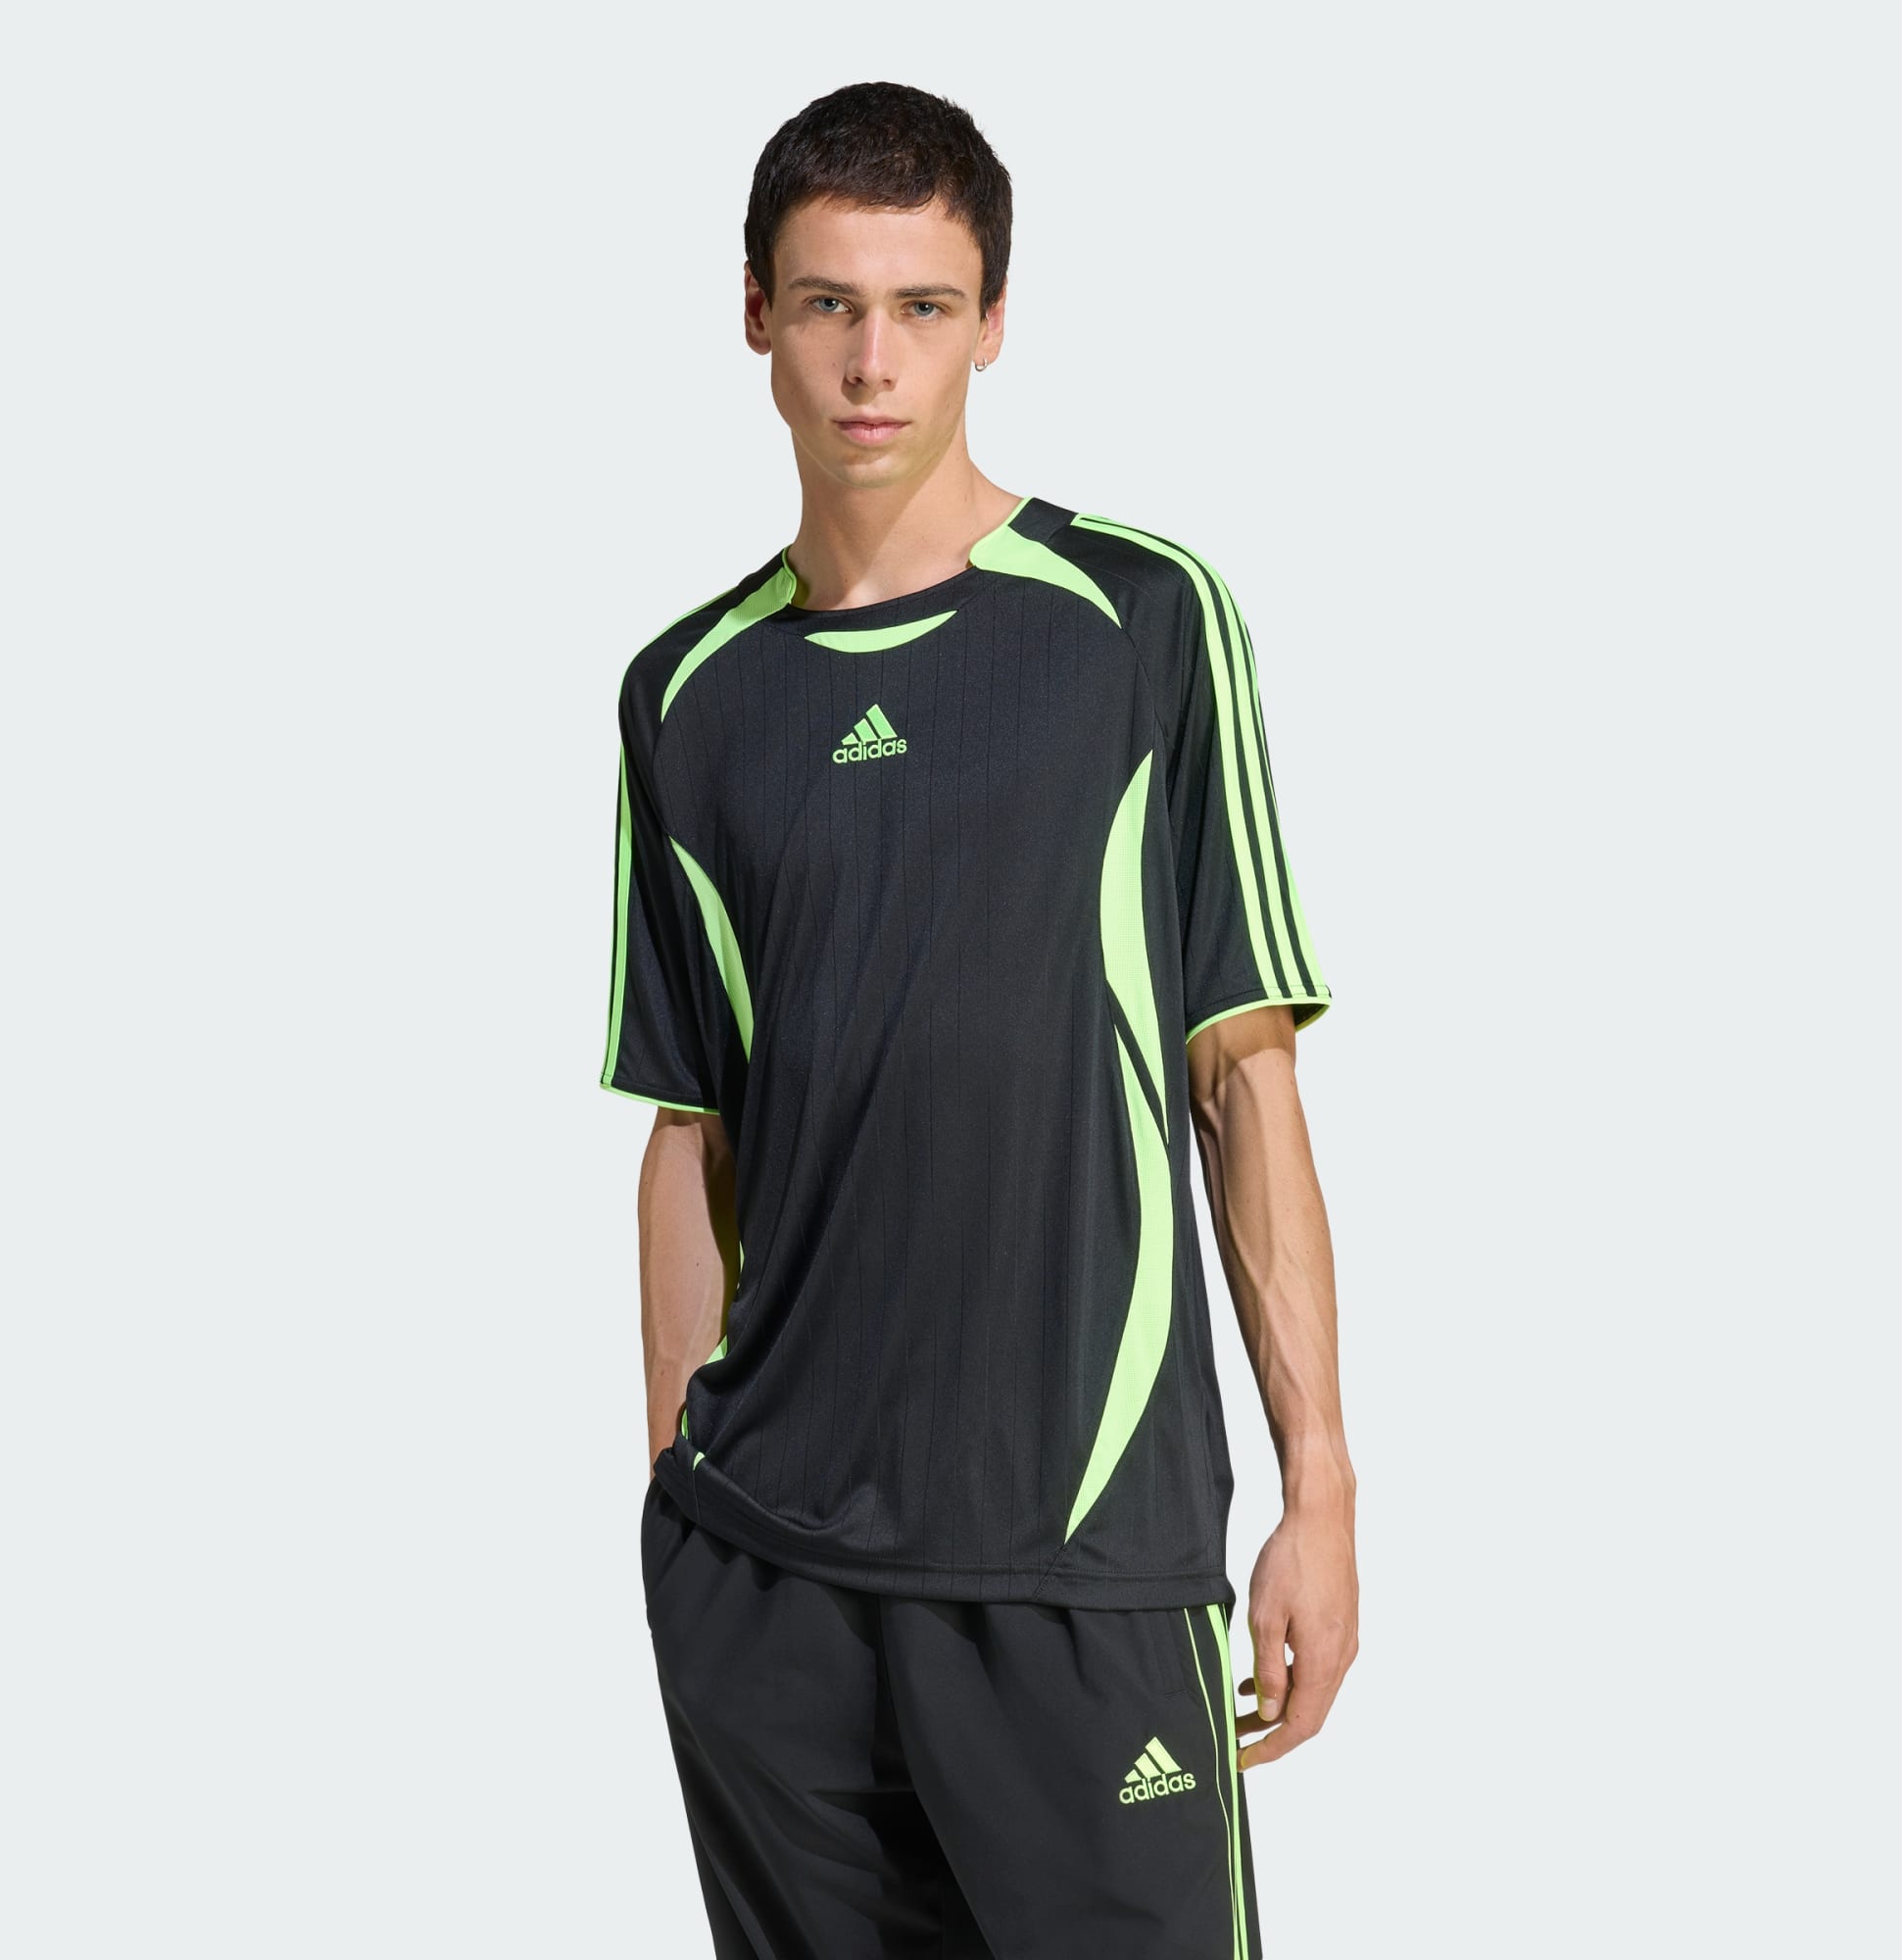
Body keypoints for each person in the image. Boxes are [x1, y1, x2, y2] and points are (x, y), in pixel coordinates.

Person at [602, 78, 1358, 1959]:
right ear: (756, 314)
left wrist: (1320, 1484)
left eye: (922, 308)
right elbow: (691, 1129)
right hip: (763, 1581)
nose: (873, 363)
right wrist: (674, 1498)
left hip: (1080, 1563)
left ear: (993, 322)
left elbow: (1241, 1071)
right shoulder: (684, 693)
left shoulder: (1137, 623)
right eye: (828, 304)